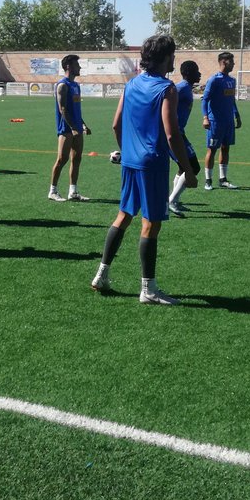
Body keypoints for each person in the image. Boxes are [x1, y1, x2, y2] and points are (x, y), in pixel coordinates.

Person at [91, 35, 197, 305]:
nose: (174, 59)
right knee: (150, 224)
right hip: (153, 164)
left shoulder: (132, 85)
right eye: (172, 55)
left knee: (123, 216)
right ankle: (148, 289)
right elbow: (172, 135)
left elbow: (116, 125)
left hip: (130, 163)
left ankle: (102, 274)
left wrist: (128, 152)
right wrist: (188, 170)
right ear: (164, 58)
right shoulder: (167, 89)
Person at [47, 54, 91, 202]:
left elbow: (76, 109)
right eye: (77, 65)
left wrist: (83, 125)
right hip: (66, 129)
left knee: (76, 159)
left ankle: (73, 191)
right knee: (62, 159)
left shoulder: (76, 85)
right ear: (68, 67)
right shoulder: (62, 85)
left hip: (77, 128)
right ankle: (52, 191)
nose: (79, 67)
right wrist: (72, 127)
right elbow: (63, 109)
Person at [201, 51, 242, 190]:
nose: (234, 64)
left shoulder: (232, 80)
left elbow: (232, 100)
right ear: (224, 62)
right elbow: (205, 99)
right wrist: (205, 118)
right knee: (212, 150)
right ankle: (208, 180)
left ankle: (223, 179)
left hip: (228, 121)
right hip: (215, 121)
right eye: (232, 61)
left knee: (226, 148)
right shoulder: (214, 80)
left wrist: (237, 115)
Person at [167, 60, 202, 217]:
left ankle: (176, 200)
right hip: (174, 134)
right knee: (193, 167)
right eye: (197, 71)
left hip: (180, 132)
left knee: (183, 167)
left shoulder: (186, 88)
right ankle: (171, 201)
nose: (199, 74)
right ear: (189, 73)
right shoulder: (180, 88)